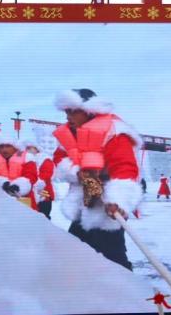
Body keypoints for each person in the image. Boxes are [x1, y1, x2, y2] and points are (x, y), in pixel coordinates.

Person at [52, 88, 141, 269]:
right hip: (83, 199)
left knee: (111, 255)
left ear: (89, 110)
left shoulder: (114, 132)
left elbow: (124, 167)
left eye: (73, 111)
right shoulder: (70, 134)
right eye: (66, 112)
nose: (68, 117)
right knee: (75, 249)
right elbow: (60, 158)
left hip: (106, 202)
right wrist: (76, 172)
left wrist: (117, 200)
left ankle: (123, 284)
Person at [23, 140, 55, 218]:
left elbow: (46, 176)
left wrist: (33, 183)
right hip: (30, 193)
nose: (27, 150)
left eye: (30, 148)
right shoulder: (26, 160)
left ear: (37, 149)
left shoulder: (44, 159)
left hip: (44, 191)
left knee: (43, 214)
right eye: (26, 148)